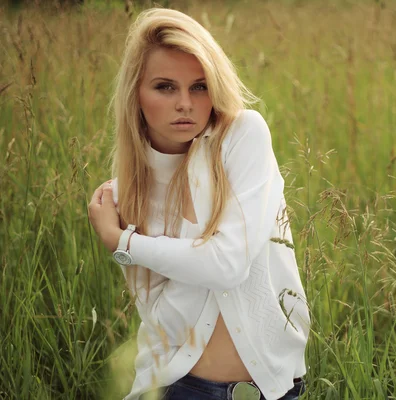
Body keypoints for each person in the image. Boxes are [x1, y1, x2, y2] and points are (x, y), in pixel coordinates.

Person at [87, 8, 310, 400]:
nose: (185, 103)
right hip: (179, 387)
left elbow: (228, 264)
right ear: (136, 94)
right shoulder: (124, 195)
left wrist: (122, 243)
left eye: (200, 86)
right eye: (165, 87)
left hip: (273, 387)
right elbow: (156, 312)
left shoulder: (243, 138)